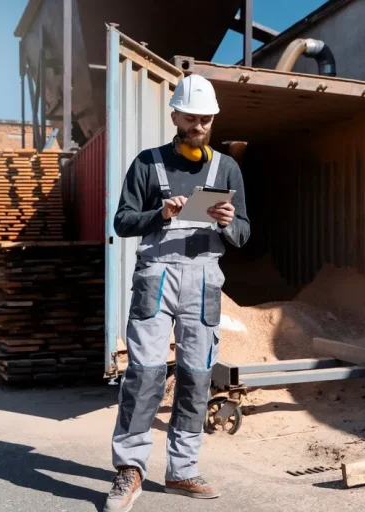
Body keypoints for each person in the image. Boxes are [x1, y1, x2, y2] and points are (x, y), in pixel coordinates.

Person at [104, 73, 250, 512]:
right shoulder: (148, 164)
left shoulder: (227, 168)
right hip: (158, 280)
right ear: (175, 115)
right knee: (145, 374)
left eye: (206, 119)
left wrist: (226, 221)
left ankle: (182, 470)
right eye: (192, 118)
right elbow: (122, 222)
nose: (200, 126)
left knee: (196, 377)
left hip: (204, 282)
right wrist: (159, 213)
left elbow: (243, 233)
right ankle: (129, 470)